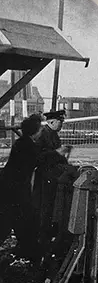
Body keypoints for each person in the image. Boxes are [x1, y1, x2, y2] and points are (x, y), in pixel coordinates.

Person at [0, 114, 43, 261]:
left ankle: (27, 249)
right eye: (40, 129)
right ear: (35, 131)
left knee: (19, 220)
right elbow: (39, 160)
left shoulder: (23, 142)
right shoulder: (27, 145)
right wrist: (58, 154)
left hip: (11, 189)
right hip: (13, 190)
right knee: (10, 222)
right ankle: (29, 250)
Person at [32, 110, 72, 265]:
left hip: (53, 177)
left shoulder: (53, 135)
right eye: (60, 121)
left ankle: (49, 234)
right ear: (51, 122)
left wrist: (63, 155)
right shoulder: (43, 135)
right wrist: (57, 153)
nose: (61, 124)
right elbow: (37, 157)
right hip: (44, 179)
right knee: (45, 208)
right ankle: (43, 238)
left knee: (51, 207)